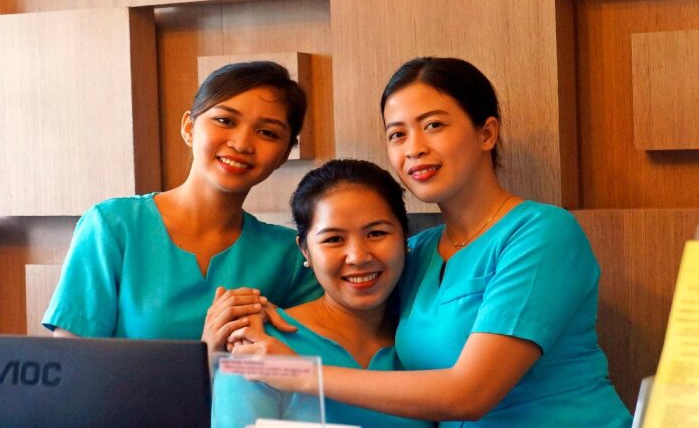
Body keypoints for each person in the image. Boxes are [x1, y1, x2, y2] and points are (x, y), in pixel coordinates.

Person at [231, 58, 633, 426]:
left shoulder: (541, 232)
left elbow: (470, 394)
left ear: (487, 133)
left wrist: (300, 373)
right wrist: (237, 321)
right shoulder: (417, 251)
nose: (415, 148)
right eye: (397, 134)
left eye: (434, 125)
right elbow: (343, 284)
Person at [42, 61, 322, 350]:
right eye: (225, 120)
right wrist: (206, 354)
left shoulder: (292, 255)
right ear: (189, 128)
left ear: (283, 155)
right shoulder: (113, 226)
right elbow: (72, 365)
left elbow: (314, 362)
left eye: (267, 133)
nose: (241, 144)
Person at [213, 159, 432, 428]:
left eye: (376, 233)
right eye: (333, 239)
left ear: (404, 237)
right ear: (305, 251)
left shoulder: (423, 345)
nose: (358, 257)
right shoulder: (258, 350)